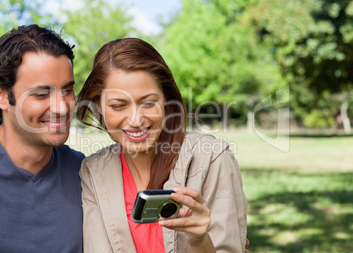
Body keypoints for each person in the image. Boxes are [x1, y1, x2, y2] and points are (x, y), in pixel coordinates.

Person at [76, 38, 248, 252]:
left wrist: (200, 242)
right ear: (98, 106)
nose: (136, 120)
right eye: (118, 106)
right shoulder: (93, 171)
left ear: (166, 100)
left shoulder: (211, 158)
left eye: (148, 103)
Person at [0, 24, 85, 252]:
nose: (62, 107)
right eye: (42, 94)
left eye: (67, 90)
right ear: (1, 96)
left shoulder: (83, 172)